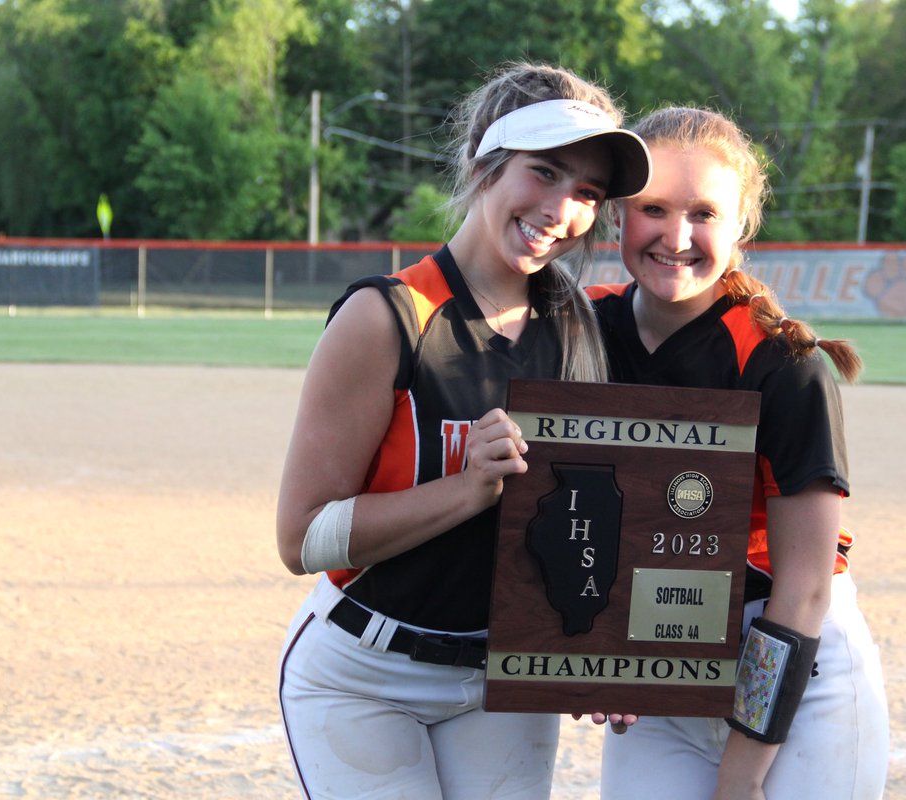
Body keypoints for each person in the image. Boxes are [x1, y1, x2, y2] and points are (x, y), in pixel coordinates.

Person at [274, 62, 652, 800]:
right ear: (486, 160)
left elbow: (588, 511)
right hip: (364, 673)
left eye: (587, 193)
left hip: (498, 678)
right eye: (543, 172)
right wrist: (470, 488)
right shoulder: (388, 317)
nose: (561, 209)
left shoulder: (578, 323)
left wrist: (605, 650)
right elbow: (303, 538)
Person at [586, 107, 889, 799]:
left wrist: (741, 777)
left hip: (794, 674)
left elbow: (805, 588)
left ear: (741, 227)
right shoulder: (583, 331)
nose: (677, 235)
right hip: (664, 667)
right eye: (653, 208)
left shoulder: (785, 365)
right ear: (618, 217)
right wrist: (596, 652)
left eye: (704, 212)